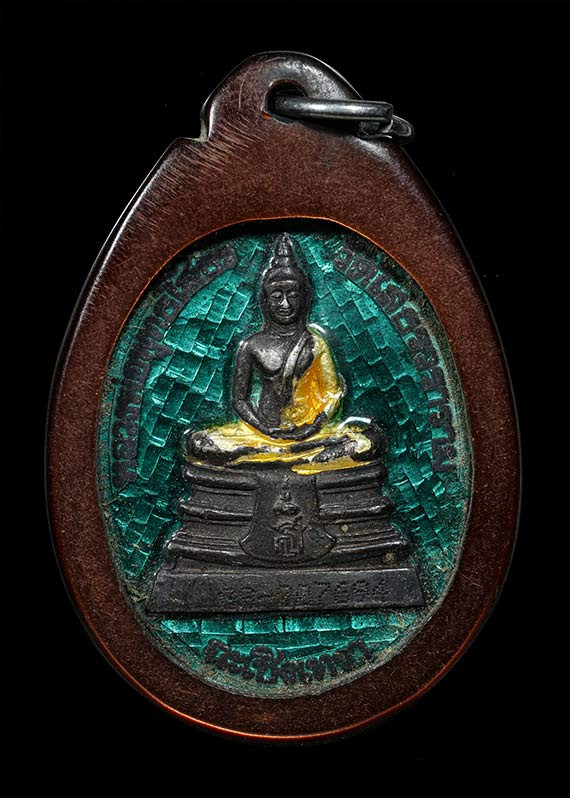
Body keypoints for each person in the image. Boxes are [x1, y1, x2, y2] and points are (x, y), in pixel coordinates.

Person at [186, 234, 384, 474]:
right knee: (199, 443)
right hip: (261, 434)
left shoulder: (315, 343)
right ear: (265, 300)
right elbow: (239, 400)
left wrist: (311, 428)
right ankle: (294, 457)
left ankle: (273, 458)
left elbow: (332, 394)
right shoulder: (252, 345)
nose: (285, 304)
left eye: (292, 295)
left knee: (367, 442)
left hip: (311, 434)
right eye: (277, 296)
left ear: (304, 298)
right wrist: (262, 428)